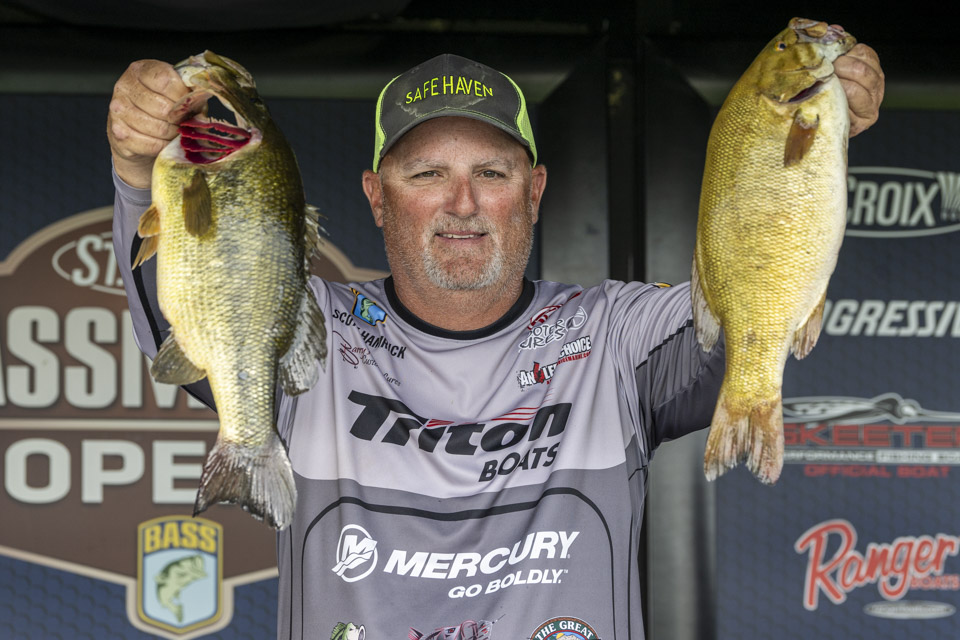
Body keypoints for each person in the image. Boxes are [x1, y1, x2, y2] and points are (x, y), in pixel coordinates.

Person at [107, 41, 884, 640]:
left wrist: (813, 145)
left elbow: (751, 308)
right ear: (377, 197)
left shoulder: (616, 335)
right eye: (425, 175)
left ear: (535, 190)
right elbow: (193, 299)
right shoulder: (308, 324)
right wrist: (137, 169)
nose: (463, 202)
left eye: (492, 172)